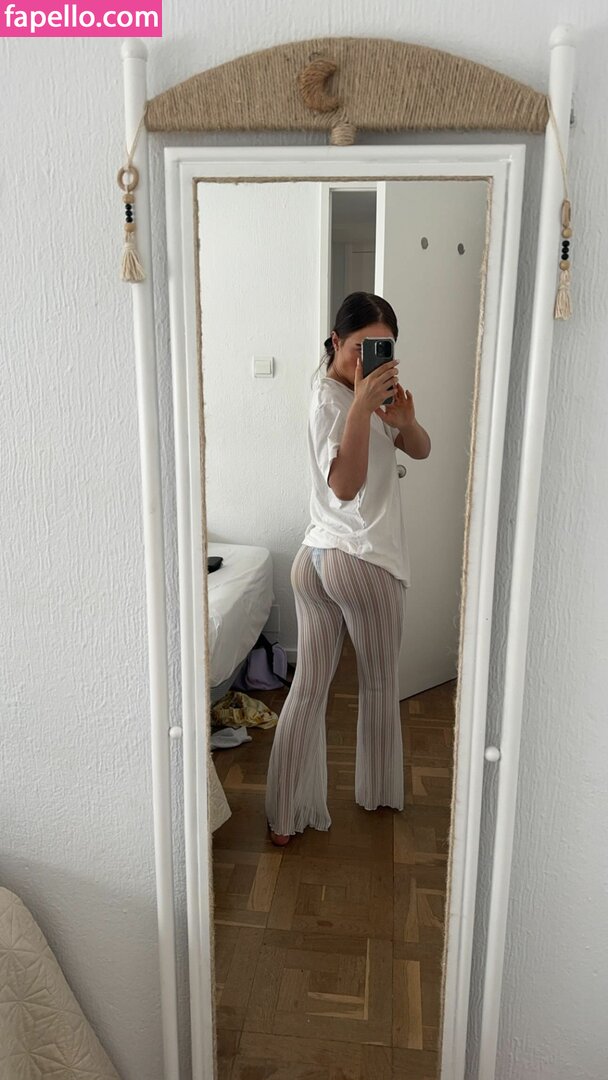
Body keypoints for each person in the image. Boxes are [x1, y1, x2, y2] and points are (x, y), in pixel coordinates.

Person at [265, 292, 431, 845]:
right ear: (336, 340)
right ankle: (378, 794)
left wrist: (404, 422)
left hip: (317, 558)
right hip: (363, 560)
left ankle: (283, 817)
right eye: (361, 347)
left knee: (308, 689)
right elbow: (344, 485)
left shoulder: (360, 396)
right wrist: (362, 407)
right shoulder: (333, 402)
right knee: (379, 684)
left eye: (383, 349)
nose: (371, 359)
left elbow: (421, 450)